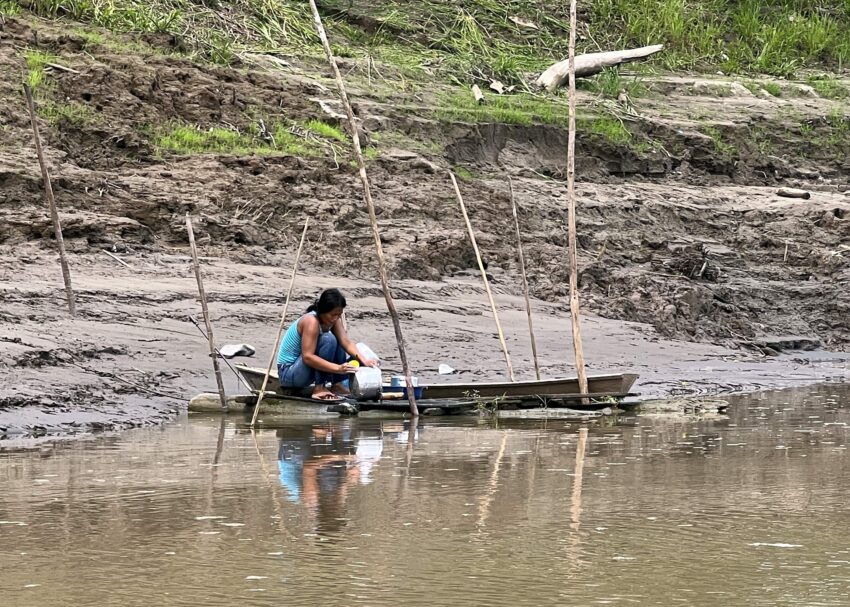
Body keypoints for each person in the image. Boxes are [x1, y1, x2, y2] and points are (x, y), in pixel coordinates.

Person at [276, 288, 378, 400]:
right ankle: (319, 388)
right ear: (323, 310)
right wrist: (338, 368)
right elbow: (308, 357)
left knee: (340, 342)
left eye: (338, 315)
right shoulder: (311, 321)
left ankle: (337, 385)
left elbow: (346, 342)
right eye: (332, 315)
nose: (335, 318)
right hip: (289, 373)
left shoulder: (334, 320)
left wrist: (364, 360)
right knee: (328, 339)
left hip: (305, 371)